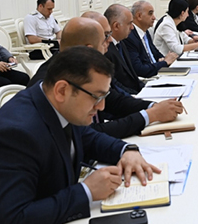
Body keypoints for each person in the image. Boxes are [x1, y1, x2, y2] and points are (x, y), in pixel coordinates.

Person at [0, 46, 161, 224]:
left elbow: (89, 137)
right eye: (96, 97)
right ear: (62, 90)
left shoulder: (55, 104)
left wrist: (126, 150)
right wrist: (86, 192)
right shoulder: (13, 135)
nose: (101, 107)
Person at [28, 15, 184, 139]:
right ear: (88, 49)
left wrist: (153, 106)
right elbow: (89, 134)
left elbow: (114, 100)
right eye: (106, 36)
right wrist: (150, 115)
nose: (110, 40)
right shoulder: (52, 81)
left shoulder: (82, 66)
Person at [125, 0, 178, 78]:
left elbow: (155, 53)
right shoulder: (130, 37)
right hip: (147, 78)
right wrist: (165, 62)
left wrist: (165, 60)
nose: (154, 17)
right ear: (139, 16)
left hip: (155, 73)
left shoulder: (145, 32)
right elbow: (139, 69)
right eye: (150, 14)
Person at [102, 4, 145, 95]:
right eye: (129, 23)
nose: (132, 27)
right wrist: (138, 97)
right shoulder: (106, 50)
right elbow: (116, 86)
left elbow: (132, 76)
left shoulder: (121, 42)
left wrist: (146, 90)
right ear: (116, 26)